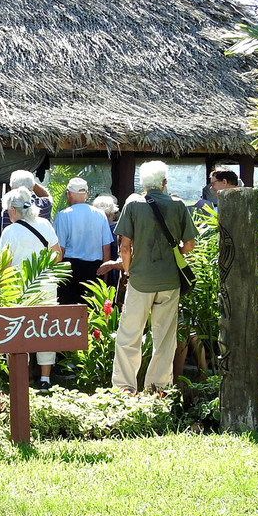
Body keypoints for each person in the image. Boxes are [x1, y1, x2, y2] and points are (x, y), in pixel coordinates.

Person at [102, 160, 197, 393]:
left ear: (143, 183)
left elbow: (124, 247)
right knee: (164, 338)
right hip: (169, 280)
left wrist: (128, 269)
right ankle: (158, 388)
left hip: (140, 280)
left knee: (129, 336)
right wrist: (172, 253)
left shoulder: (133, 204)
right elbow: (190, 245)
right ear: (164, 182)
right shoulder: (178, 205)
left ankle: (124, 388)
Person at [0, 186, 63, 391]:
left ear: (14, 210)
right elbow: (57, 256)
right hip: (46, 285)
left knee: (19, 332)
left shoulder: (9, 232)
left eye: (8, 210)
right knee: (46, 331)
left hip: (20, 289)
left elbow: (4, 267)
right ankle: (45, 379)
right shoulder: (45, 224)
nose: (8, 213)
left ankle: (21, 378)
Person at [53, 177, 113, 305]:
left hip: (69, 270)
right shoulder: (100, 215)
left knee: (69, 313)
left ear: (68, 194)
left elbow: (60, 250)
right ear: (87, 194)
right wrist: (105, 280)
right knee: (92, 314)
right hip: (95, 269)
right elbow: (106, 248)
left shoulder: (63, 215)